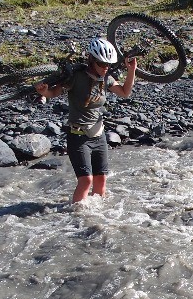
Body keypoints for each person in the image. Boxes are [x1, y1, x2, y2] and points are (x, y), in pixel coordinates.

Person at [36, 37, 136, 203]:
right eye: (102, 64)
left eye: (108, 65)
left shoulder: (105, 79)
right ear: (92, 60)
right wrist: (44, 92)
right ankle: (75, 216)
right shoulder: (76, 76)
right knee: (86, 180)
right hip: (78, 137)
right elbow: (53, 93)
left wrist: (131, 70)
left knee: (101, 179)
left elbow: (125, 92)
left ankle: (97, 219)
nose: (106, 68)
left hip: (99, 135)